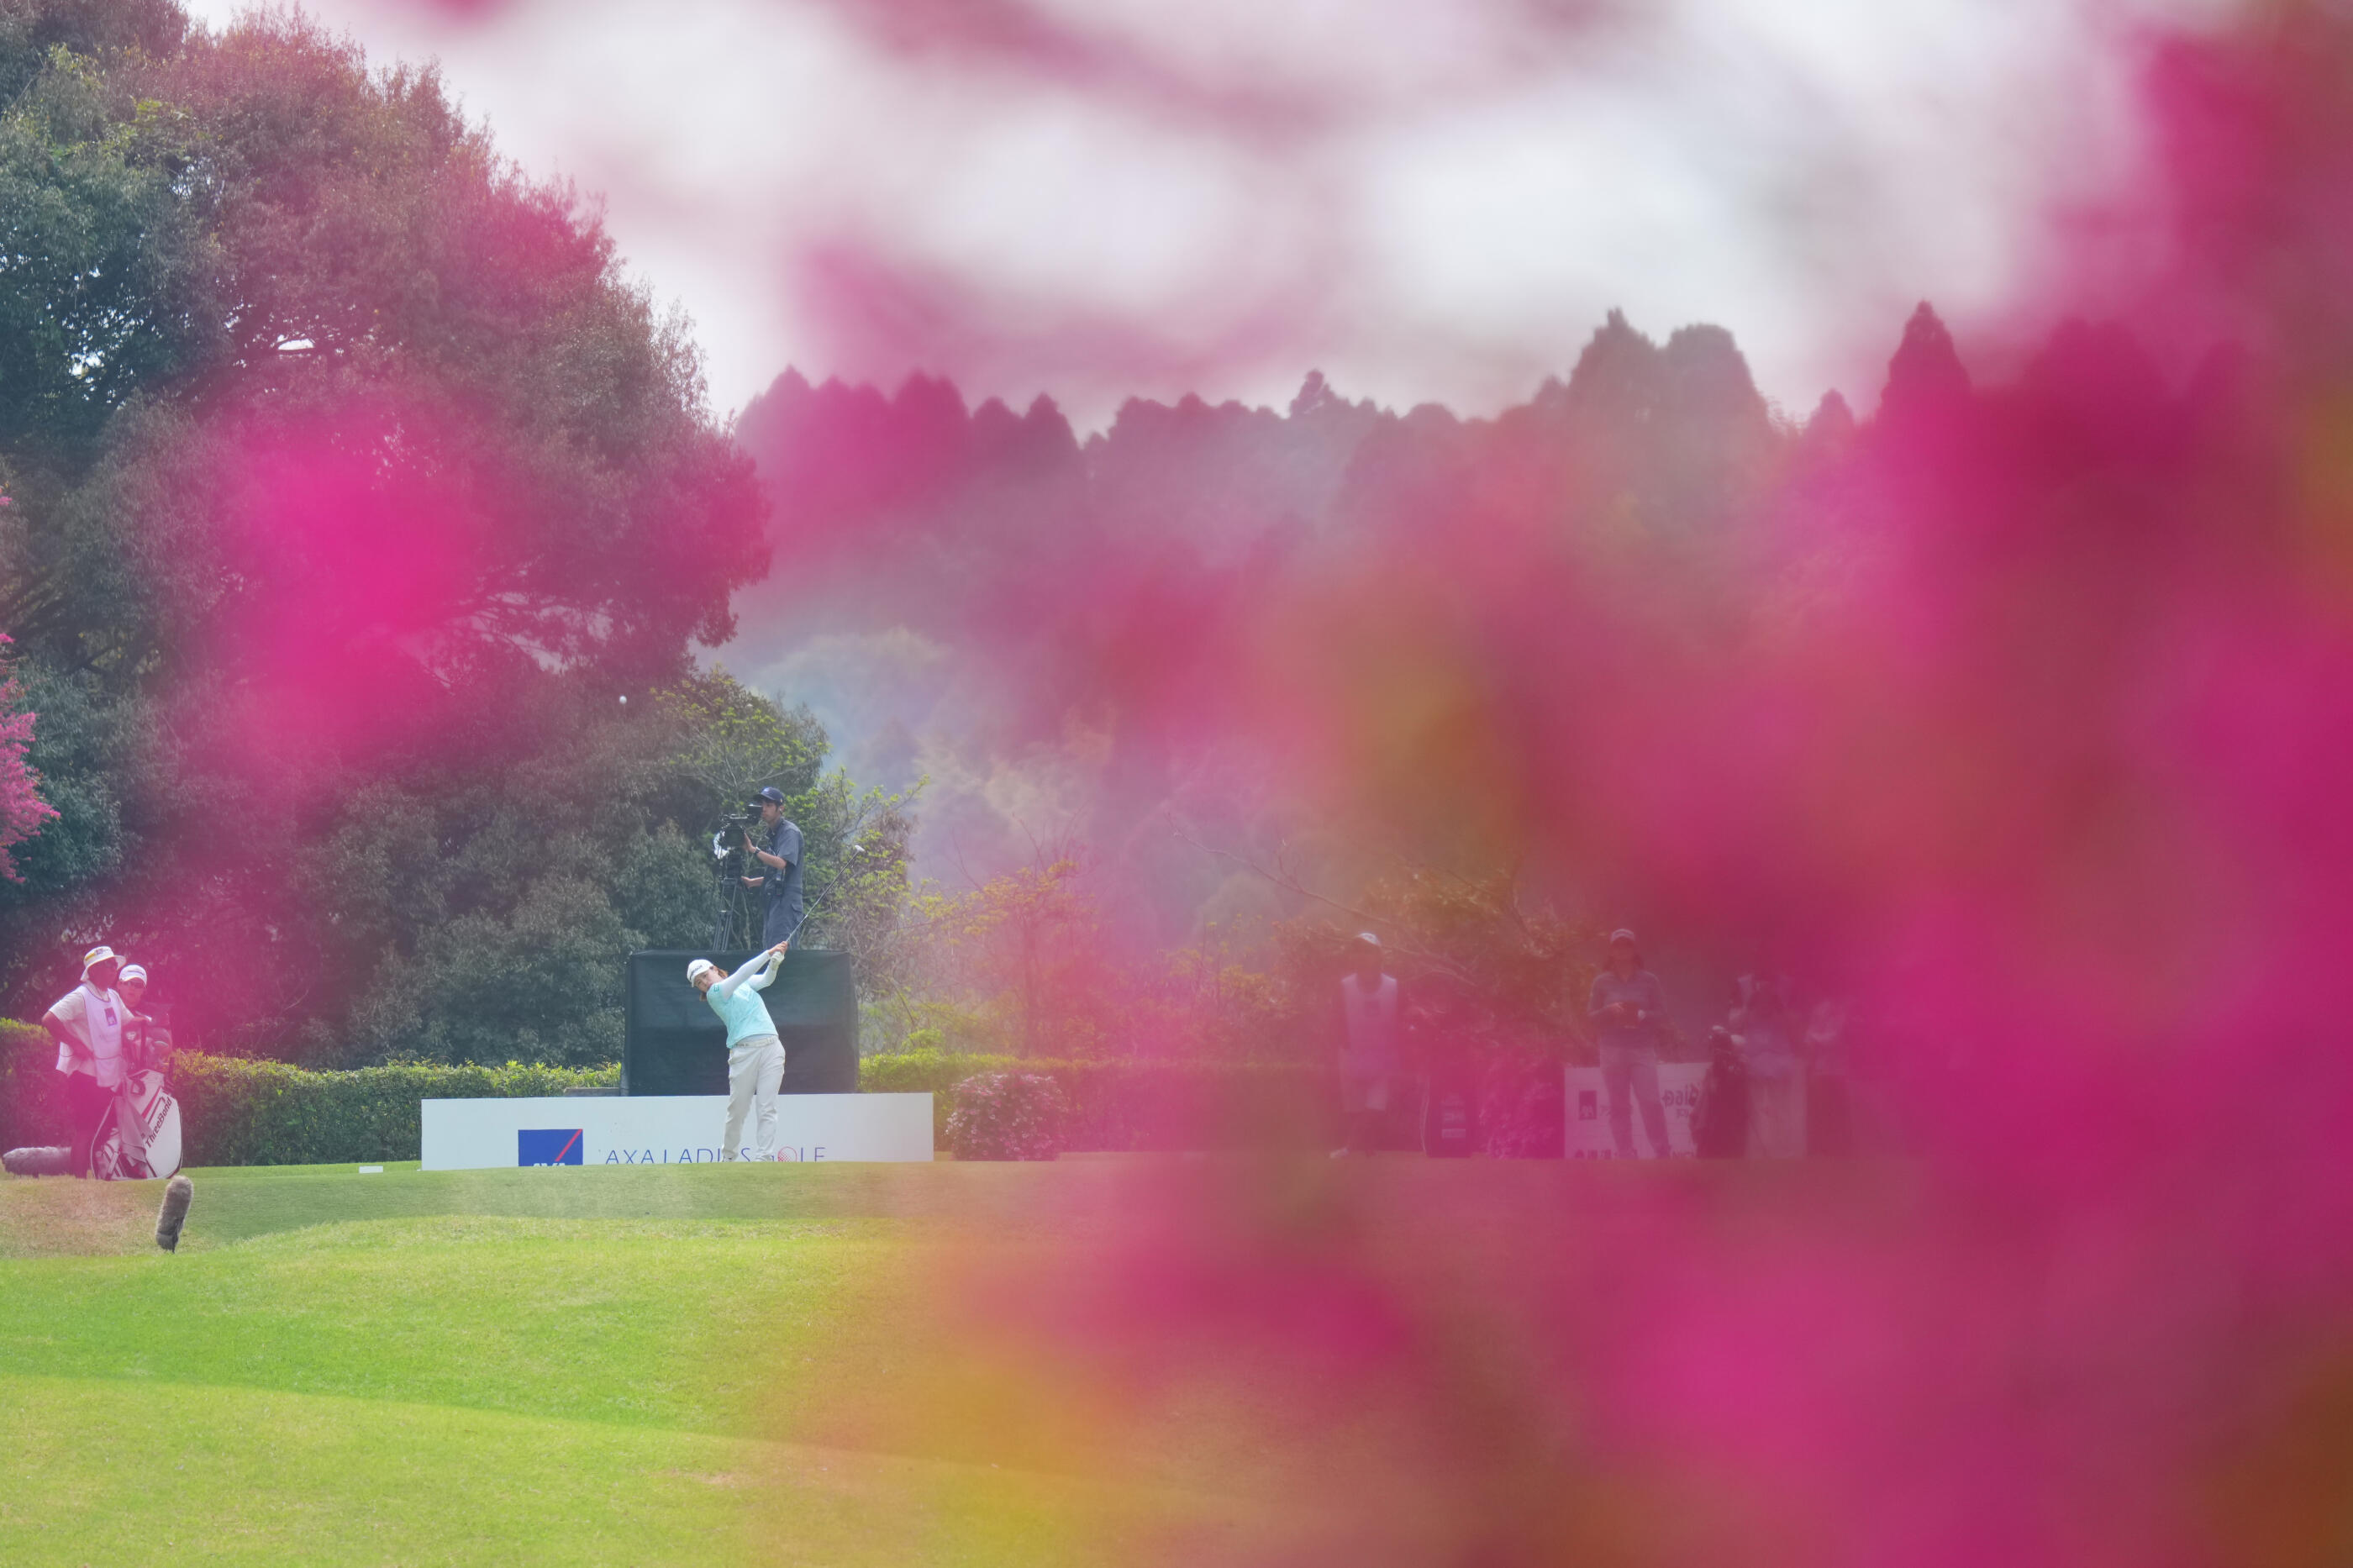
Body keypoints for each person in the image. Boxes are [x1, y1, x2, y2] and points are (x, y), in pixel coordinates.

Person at [40, 946, 146, 1178]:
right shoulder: (81, 996)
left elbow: (127, 1023)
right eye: (109, 965)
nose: (114, 969)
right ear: (95, 970)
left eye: (114, 964)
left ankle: (97, 1176)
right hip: (85, 1076)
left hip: (107, 1075)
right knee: (86, 1130)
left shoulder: (113, 996)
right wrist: (75, 1043)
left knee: (103, 1129)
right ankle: (79, 1181)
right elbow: (49, 1019)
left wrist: (148, 1021)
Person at [690, 939, 791, 1160]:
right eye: (699, 983)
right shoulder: (716, 994)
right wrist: (768, 953)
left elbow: (765, 980)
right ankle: (728, 1158)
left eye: (705, 976)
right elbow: (742, 974)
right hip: (744, 1054)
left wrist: (774, 963)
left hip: (772, 1047)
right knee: (738, 1111)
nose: (704, 983)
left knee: (767, 1108)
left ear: (714, 969)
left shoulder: (741, 985)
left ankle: (764, 1159)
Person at [1588, 929, 1672, 1158]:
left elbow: (1663, 1013)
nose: (1622, 950)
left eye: (1627, 945)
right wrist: (1608, 1011)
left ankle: (1662, 1151)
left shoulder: (1649, 980)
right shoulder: (1601, 981)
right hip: (1612, 1049)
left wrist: (1644, 1015)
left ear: (1634, 950)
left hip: (1641, 1048)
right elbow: (1591, 1017)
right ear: (1611, 951)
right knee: (1619, 1105)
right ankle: (1625, 1154)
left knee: (1651, 1101)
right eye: (1618, 945)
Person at [1332, 933, 1403, 1157]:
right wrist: (1345, 1048)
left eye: (1368, 951)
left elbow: (1404, 1020)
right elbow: (1335, 1021)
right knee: (1355, 1111)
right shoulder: (1343, 987)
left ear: (1379, 956)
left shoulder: (1394, 987)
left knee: (1374, 1108)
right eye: (1359, 951)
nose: (1363, 956)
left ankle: (1350, 1148)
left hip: (1383, 1060)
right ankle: (1366, 1153)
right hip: (1351, 1058)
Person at [1729, 971, 1807, 1158]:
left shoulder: (1788, 988)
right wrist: (1750, 1005)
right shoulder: (1742, 986)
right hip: (1753, 1059)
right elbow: (1734, 1024)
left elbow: (1796, 1026)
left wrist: (1779, 1005)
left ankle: (1785, 1152)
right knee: (1755, 1111)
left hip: (1780, 1060)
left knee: (1781, 1109)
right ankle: (1756, 1153)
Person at [739, 786, 805, 948]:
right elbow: (776, 875)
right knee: (770, 955)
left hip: (785, 905)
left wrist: (753, 850)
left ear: (780, 808)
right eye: (762, 804)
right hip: (774, 903)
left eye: (769, 805)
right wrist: (751, 882)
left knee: (779, 957)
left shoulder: (790, 832)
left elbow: (781, 864)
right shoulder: (773, 834)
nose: (763, 809)